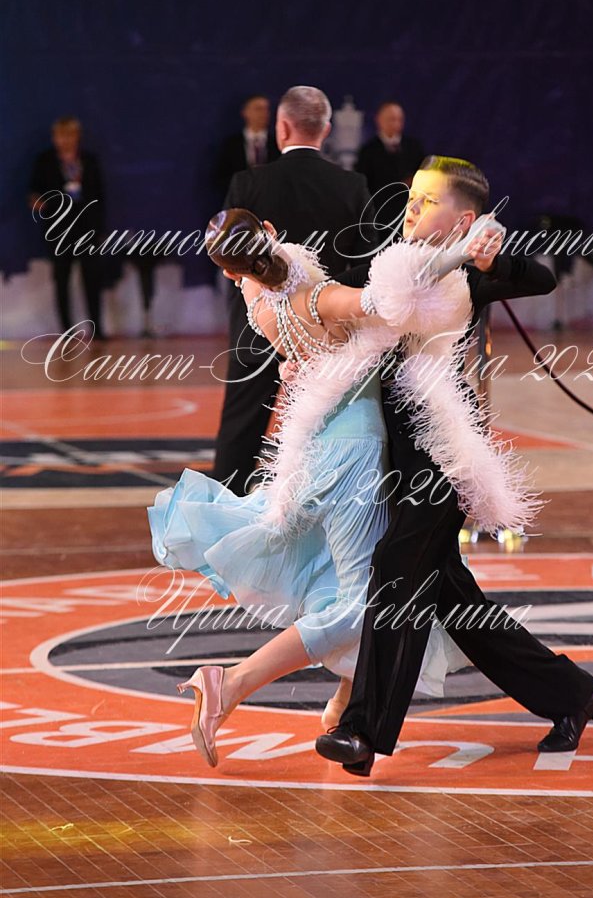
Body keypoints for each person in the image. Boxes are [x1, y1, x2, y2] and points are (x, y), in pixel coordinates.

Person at [147, 204, 511, 768]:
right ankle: (232, 683)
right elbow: (388, 299)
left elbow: (295, 307)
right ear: (271, 230)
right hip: (352, 451)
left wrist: (300, 362)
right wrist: (462, 251)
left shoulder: (257, 301)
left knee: (348, 578)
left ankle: (344, 701)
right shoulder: (319, 298)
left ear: (230, 272)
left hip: (320, 442)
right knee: (362, 601)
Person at [315, 155, 593, 777]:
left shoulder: (471, 274)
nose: (411, 209)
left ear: (464, 219)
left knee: (396, 573)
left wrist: (490, 261)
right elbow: (340, 303)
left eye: (427, 201)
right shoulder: (392, 262)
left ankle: (362, 731)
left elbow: (540, 278)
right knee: (456, 604)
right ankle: (573, 694)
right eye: (411, 198)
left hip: (443, 456)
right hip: (399, 454)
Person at [211, 85, 377, 496]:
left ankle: (224, 511)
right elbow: (369, 267)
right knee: (336, 428)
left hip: (258, 327)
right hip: (328, 333)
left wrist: (250, 311)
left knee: (240, 430)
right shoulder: (352, 185)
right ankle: (336, 507)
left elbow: (229, 257)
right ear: (326, 130)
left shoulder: (249, 182)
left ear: (282, 128)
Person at [28, 116, 107, 340]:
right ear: (54, 138)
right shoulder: (45, 161)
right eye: (61, 136)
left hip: (86, 228)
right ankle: (67, 330)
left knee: (92, 279)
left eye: (70, 135)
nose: (65, 140)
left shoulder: (88, 160)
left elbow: (100, 196)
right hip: (59, 229)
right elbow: (34, 192)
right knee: (62, 280)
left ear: (77, 137)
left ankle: (97, 328)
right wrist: (40, 204)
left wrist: (99, 228)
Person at [354, 101, 424, 233]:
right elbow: (363, 185)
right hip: (380, 215)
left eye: (399, 119)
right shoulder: (368, 151)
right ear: (379, 120)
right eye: (391, 119)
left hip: (408, 214)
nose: (396, 124)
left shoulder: (413, 147)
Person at [215, 94, 280, 199]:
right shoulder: (231, 145)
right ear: (245, 112)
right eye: (258, 109)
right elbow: (221, 177)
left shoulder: (277, 144)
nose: (264, 113)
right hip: (240, 201)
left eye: (266, 109)